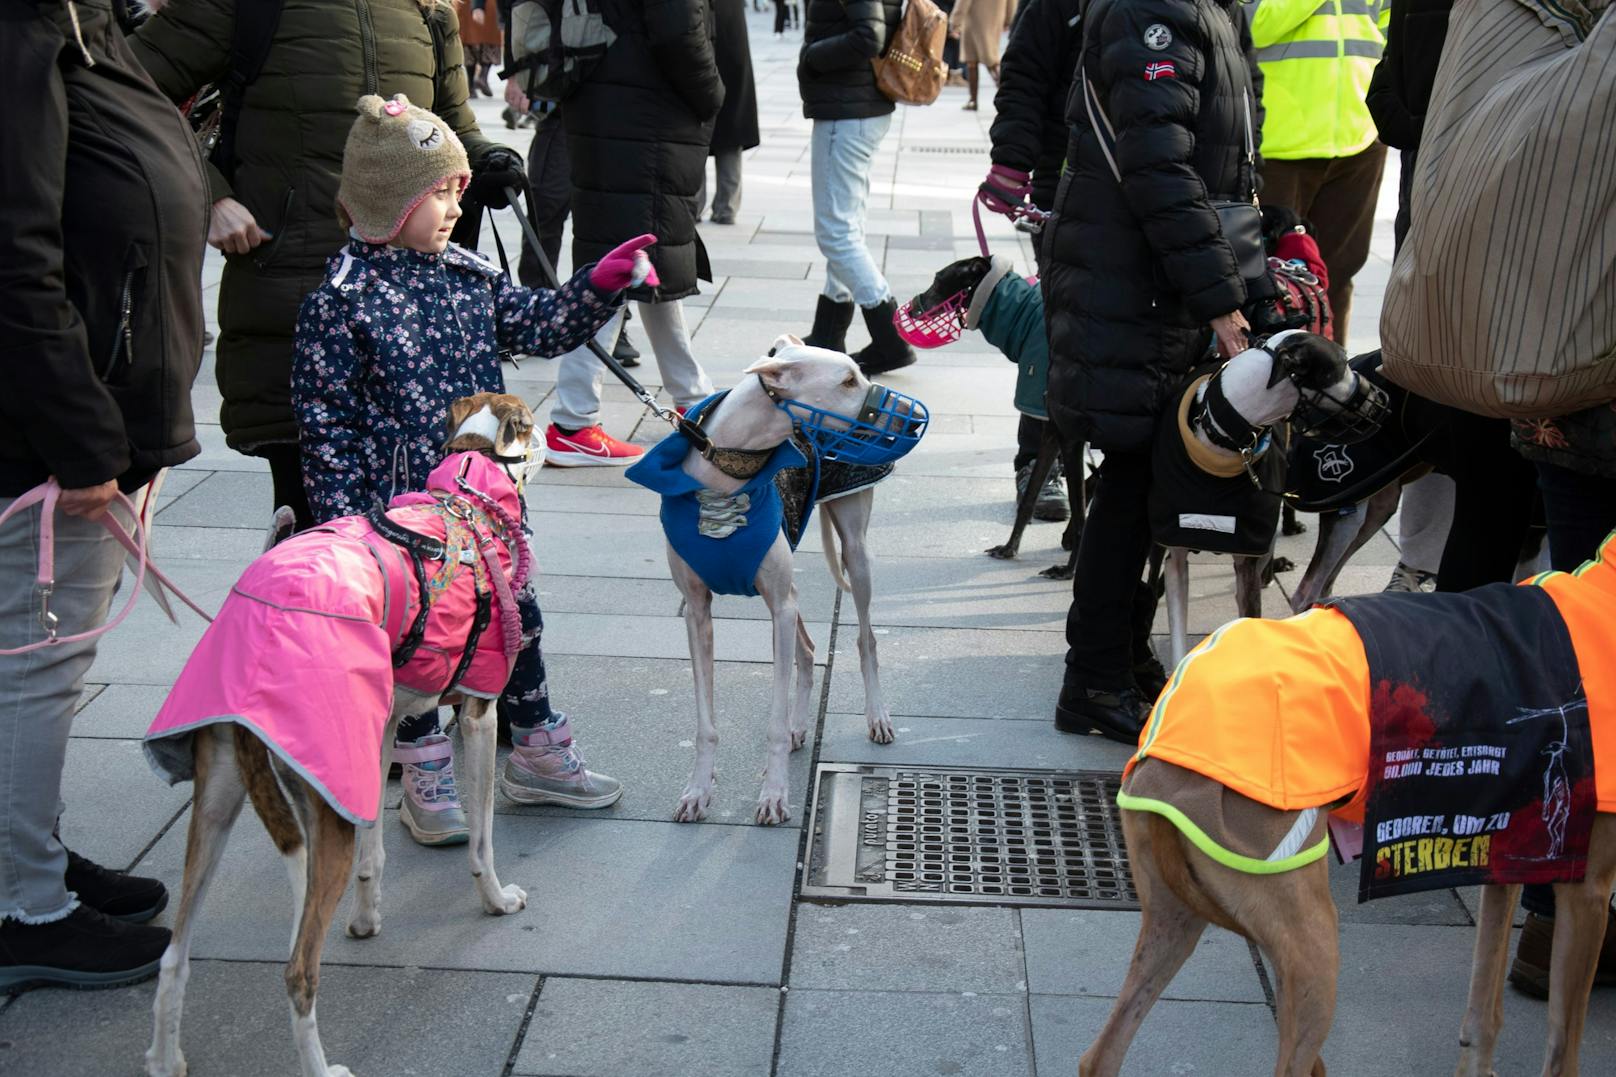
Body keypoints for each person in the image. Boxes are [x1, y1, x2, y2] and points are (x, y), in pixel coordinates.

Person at [294, 96, 633, 844]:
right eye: (435, 194)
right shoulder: (342, 302)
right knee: (415, 646)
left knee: (515, 619)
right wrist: (347, 524)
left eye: (455, 190)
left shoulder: (465, 275)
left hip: (481, 507)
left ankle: (536, 746)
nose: (453, 207)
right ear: (387, 203)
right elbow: (325, 427)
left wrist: (595, 289)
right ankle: (423, 771)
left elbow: (536, 324)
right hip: (399, 519)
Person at [131, 0, 528, 532]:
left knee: (423, 546)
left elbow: (449, 127)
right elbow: (126, 92)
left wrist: (487, 160)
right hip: (290, 294)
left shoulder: (428, 9)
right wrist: (211, 194)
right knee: (316, 539)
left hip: (411, 324)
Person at [1, 0, 207, 989]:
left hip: (86, 413)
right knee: (33, 669)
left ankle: (21, 855)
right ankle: (24, 905)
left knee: (35, 666)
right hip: (52, 435)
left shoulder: (74, 20)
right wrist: (82, 439)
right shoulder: (26, 25)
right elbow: (14, 254)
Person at [1042, 0, 1259, 742]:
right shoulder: (1151, 10)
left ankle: (1121, 654)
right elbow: (1159, 165)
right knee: (1134, 477)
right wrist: (1222, 300)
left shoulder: (1208, 7)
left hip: (1156, 279)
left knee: (1148, 477)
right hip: (1133, 283)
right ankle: (1093, 677)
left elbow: (1221, 151)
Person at [541, 0, 724, 467]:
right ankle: (573, 420)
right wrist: (713, 93)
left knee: (641, 259)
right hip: (646, 119)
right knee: (621, 266)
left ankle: (691, 396)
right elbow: (678, 30)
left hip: (609, 109)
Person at [983, 0, 1085, 520]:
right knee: (1058, 329)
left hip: (1164, 186)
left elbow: (1238, 81)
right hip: (1068, 184)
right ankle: (1039, 463)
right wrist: (1011, 163)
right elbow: (1024, 75)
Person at [1248, 0, 1389, 347]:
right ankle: (1261, 391)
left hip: (1359, 138)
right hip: (1278, 143)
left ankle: (1332, 384)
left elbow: (1386, 22)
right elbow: (1253, 25)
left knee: (1338, 276)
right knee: (1267, 284)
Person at [797, 0, 916, 375]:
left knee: (836, 234)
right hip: (857, 105)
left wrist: (812, 57)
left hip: (847, 110)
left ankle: (890, 337)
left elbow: (868, 35)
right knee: (846, 225)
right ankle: (829, 332)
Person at [700, 0, 761, 225]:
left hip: (703, 59)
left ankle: (695, 205)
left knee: (697, 135)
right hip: (733, 57)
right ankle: (726, 207)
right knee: (730, 137)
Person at [949, 0, 1017, 111]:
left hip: (975, 19)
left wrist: (955, 21)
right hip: (995, 17)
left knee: (976, 61)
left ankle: (974, 100)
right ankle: (1008, 95)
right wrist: (1009, 19)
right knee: (989, 58)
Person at [456, 0, 501, 96]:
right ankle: (483, 77)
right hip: (488, 5)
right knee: (490, 41)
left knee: (469, 44)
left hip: (466, 6)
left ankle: (471, 86)